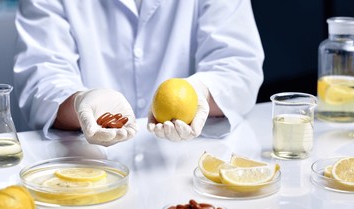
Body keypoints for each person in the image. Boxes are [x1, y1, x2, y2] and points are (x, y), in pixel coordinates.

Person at [14, 0, 264, 146]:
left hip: (189, 158)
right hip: (89, 164)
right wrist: (80, 103)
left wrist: (198, 92)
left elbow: (238, 64)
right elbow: (42, 75)